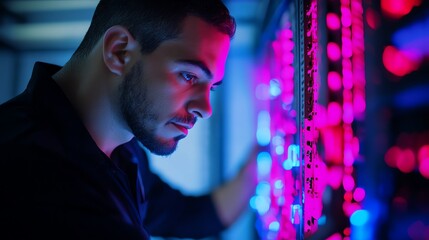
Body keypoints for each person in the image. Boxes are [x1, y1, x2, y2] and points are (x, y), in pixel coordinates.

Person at [0, 0, 257, 239]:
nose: (205, 109)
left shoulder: (122, 147)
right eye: (189, 76)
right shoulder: (32, 174)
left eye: (211, 87)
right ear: (119, 51)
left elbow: (185, 216)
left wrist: (265, 155)